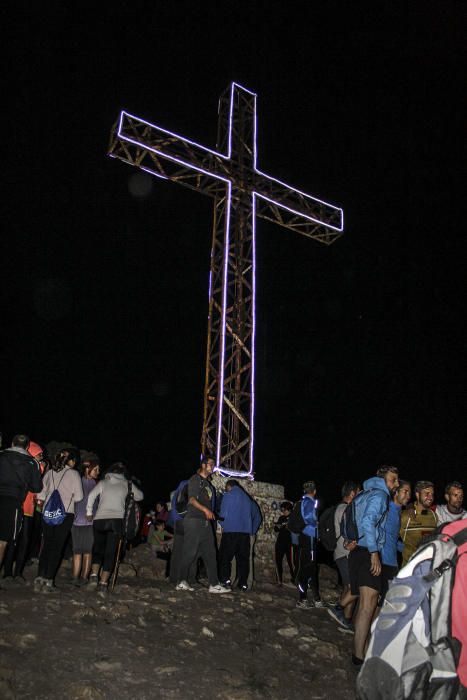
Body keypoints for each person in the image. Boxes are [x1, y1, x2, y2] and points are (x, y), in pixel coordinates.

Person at [342, 465, 399, 665]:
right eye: (393, 480)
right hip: (367, 553)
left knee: (365, 605)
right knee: (368, 606)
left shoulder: (363, 495)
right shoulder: (380, 496)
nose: (396, 484)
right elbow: (368, 522)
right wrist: (374, 553)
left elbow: (350, 520)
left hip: (357, 552)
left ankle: (361, 651)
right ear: (384, 480)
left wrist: (350, 540)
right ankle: (359, 656)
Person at [176, 455, 230, 594]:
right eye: (211, 464)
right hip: (194, 520)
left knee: (211, 553)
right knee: (190, 552)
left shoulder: (208, 485)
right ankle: (181, 581)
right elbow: (192, 500)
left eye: (213, 464)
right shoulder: (195, 479)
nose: (213, 467)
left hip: (205, 523)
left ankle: (214, 584)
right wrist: (206, 510)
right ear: (203, 465)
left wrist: (211, 512)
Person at [86, 462, 143, 593]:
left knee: (98, 549)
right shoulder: (127, 484)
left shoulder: (103, 482)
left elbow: (91, 496)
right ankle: (103, 583)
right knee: (110, 552)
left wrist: (89, 512)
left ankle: (94, 576)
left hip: (99, 519)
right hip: (116, 521)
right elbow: (140, 496)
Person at [35, 448, 83, 591]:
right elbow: (79, 497)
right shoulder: (74, 474)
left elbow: (41, 495)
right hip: (65, 514)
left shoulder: (49, 473)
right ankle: (49, 581)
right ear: (72, 461)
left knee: (47, 545)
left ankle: (39, 578)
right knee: (57, 547)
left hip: (48, 514)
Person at [2, 440, 46, 582]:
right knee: (11, 540)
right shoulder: (28, 464)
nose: (41, 457)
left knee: (24, 542)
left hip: (29, 509)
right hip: (18, 506)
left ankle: (18, 572)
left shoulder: (34, 465)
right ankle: (8, 572)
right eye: (39, 454)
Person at [327, 481, 360, 631]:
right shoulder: (345, 509)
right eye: (358, 492)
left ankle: (345, 621)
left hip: (342, 553)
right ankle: (338, 609)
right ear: (352, 493)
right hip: (345, 552)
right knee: (355, 587)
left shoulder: (342, 508)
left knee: (349, 587)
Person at [218, 479, 262, 591]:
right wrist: (251, 530)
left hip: (231, 532)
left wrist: (222, 524)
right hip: (245, 534)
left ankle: (225, 581)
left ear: (229, 486)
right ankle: (243, 584)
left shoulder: (228, 495)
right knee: (243, 560)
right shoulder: (247, 498)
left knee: (225, 558)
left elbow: (223, 514)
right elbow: (256, 515)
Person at [379, 479, 411, 603]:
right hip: (383, 561)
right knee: (384, 600)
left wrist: (407, 548)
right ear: (396, 492)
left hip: (391, 561)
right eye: (405, 492)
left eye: (409, 493)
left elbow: (391, 537)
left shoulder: (398, 511)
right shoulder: (387, 509)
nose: (408, 496)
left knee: (383, 601)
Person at [71, 459, 100, 585]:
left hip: (91, 524)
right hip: (76, 522)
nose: (98, 472)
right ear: (88, 469)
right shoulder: (78, 481)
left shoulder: (98, 484)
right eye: (96, 469)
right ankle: (75, 577)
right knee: (77, 551)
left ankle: (84, 578)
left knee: (88, 551)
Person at [296, 480, 324, 609]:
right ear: (315, 491)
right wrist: (315, 523)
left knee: (311, 568)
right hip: (309, 537)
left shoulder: (304, 501)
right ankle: (302, 599)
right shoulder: (309, 502)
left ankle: (315, 598)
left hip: (307, 537)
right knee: (308, 568)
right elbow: (308, 517)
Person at [400, 480, 437, 566]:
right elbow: (391, 540)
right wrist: (407, 549)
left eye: (432, 494)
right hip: (408, 571)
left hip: (428, 571)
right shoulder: (405, 516)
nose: (430, 497)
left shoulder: (434, 516)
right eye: (427, 493)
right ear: (417, 494)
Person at [274, 501, 294, 586]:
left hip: (290, 544)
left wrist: (288, 526)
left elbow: (295, 529)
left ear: (289, 509)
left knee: (292, 563)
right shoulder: (281, 518)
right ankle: (279, 581)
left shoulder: (293, 518)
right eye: (282, 510)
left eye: (284, 510)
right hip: (280, 543)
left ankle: (294, 579)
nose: (283, 511)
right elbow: (276, 529)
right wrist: (277, 527)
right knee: (278, 561)